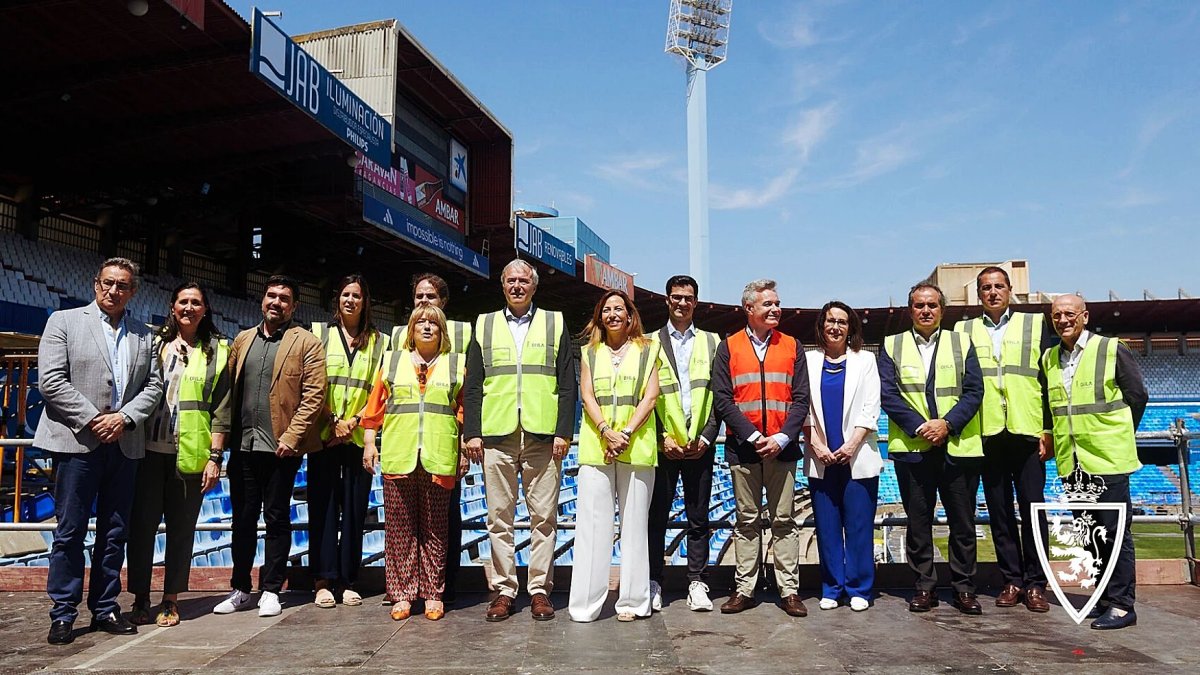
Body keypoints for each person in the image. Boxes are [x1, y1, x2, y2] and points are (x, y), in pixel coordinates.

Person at [38, 257, 164, 645]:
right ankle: (62, 612)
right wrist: (96, 419)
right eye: (108, 283)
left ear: (133, 291)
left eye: (122, 285)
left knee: (114, 532)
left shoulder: (146, 335)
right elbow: (51, 382)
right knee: (70, 531)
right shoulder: (64, 322)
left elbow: (155, 387)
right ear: (96, 285)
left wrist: (124, 418)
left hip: (124, 445)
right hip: (78, 443)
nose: (114, 291)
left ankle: (105, 607)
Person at [463, 259, 577, 622]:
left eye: (523, 280)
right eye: (510, 280)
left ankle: (540, 590)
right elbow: (474, 384)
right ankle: (504, 590)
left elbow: (567, 382)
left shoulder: (555, 321)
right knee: (499, 517)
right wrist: (473, 432)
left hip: (543, 434)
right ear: (502, 285)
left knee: (543, 516)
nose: (516, 286)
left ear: (534, 285)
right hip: (497, 434)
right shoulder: (483, 323)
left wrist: (563, 431)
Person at [213, 276, 326, 618]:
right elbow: (228, 394)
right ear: (263, 300)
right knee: (242, 521)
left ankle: (272, 589)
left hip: (281, 449)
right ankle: (240, 588)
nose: (276, 302)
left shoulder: (307, 343)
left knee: (276, 519)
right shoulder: (243, 339)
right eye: (271, 296)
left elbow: (314, 395)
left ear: (293, 306)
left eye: (284, 298)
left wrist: (292, 437)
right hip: (243, 446)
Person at [127, 283, 230, 627]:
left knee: (182, 530)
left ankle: (170, 599)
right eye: (183, 302)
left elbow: (221, 410)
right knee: (141, 528)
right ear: (172, 307)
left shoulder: (217, 351)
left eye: (196, 303)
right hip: (147, 453)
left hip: (191, 454)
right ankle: (141, 597)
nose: (189, 308)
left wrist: (215, 458)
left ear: (205, 309)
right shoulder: (153, 345)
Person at [1041, 294, 1147, 630]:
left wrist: (1116, 434)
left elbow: (1137, 396)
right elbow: (1052, 406)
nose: (1063, 320)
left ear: (1084, 316)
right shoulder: (1049, 358)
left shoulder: (1111, 348)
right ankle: (1103, 598)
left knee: (1115, 533)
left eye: (1069, 314)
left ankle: (1121, 605)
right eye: (1057, 315)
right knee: (1089, 534)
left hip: (1108, 458)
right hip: (1072, 461)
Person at [879, 283, 985, 615]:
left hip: (957, 446)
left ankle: (964, 588)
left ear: (942, 309)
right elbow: (887, 393)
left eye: (932, 305)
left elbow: (973, 390)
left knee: (963, 523)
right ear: (910, 310)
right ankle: (924, 587)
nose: (926, 311)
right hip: (913, 448)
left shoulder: (961, 341)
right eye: (919, 305)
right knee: (919, 523)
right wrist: (920, 426)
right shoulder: (891, 344)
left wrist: (947, 424)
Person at [953, 267, 1053, 613]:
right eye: (985, 287)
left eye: (998, 286)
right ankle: (1012, 580)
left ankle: (1037, 583)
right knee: (999, 512)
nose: (992, 292)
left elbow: (1049, 379)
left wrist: (1049, 429)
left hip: (1027, 430)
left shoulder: (1036, 324)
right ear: (978, 294)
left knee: (1033, 509)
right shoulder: (963, 330)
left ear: (1010, 290)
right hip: (988, 431)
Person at [711, 279, 811, 618]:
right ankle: (744, 589)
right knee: (746, 521)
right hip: (744, 447)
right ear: (749, 308)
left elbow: (800, 398)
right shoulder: (729, 346)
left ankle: (789, 590)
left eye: (777, 303)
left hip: (782, 447)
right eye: (768, 304)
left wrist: (782, 437)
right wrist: (754, 437)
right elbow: (723, 400)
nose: (775, 309)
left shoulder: (793, 346)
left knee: (784, 520)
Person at [362, 305, 466, 622]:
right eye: (420, 322)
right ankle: (402, 595)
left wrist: (462, 448)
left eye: (433, 323)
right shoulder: (392, 361)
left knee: (435, 530)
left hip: (438, 456)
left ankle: (434, 594)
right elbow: (375, 406)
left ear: (442, 331)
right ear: (410, 329)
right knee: (400, 530)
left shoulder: (456, 365)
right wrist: (369, 442)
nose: (426, 327)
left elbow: (463, 411)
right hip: (399, 455)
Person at [569, 290, 665, 623]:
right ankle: (586, 605)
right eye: (606, 309)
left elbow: (650, 397)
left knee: (635, 526)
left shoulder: (649, 349)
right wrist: (606, 430)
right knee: (593, 527)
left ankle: (633, 601)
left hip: (636, 447)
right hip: (597, 445)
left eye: (618, 309)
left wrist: (623, 434)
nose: (612, 314)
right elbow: (587, 395)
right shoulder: (589, 352)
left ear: (629, 316)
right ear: (600, 317)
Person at [308, 275, 388, 609]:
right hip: (325, 435)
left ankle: (348, 580)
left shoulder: (379, 341)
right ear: (336, 300)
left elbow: (378, 388)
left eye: (356, 295)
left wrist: (354, 422)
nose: (350, 300)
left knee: (355, 511)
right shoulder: (318, 335)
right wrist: (331, 420)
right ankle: (323, 581)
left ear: (365, 302)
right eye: (345, 295)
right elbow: (311, 382)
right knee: (323, 507)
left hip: (358, 437)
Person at [394, 273, 471, 603]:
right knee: (406, 524)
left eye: (431, 297)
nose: (424, 303)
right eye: (419, 297)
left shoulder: (463, 336)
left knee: (444, 522)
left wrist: (464, 443)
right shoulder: (399, 338)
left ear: (444, 302)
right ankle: (407, 590)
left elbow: (467, 398)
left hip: (443, 447)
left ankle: (441, 587)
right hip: (407, 446)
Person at [802, 301, 881, 612]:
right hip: (821, 455)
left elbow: (871, 407)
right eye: (830, 321)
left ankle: (860, 588)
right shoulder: (807, 361)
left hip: (857, 455)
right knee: (827, 526)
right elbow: (802, 407)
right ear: (822, 325)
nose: (835, 327)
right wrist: (816, 446)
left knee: (859, 526)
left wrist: (851, 445)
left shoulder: (866, 361)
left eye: (842, 322)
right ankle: (832, 587)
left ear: (851, 328)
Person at [647, 274, 720, 612]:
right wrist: (662, 436)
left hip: (700, 445)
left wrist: (707, 436)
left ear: (696, 302)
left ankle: (697, 582)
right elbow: (645, 398)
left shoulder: (712, 341)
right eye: (676, 297)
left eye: (688, 297)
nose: (681, 302)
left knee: (698, 517)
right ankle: (653, 582)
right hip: (664, 447)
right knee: (656, 517)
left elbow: (721, 396)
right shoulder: (648, 343)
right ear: (667, 300)